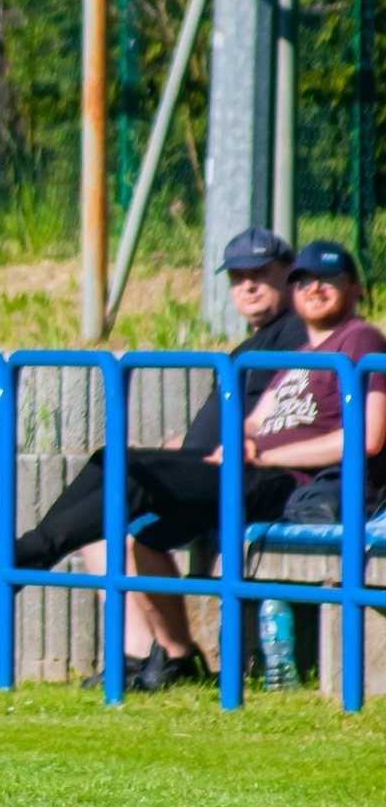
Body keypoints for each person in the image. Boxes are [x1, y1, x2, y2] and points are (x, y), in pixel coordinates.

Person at [0, 240, 386, 690]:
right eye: (304, 280)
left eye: (327, 279)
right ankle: (175, 658)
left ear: (354, 289)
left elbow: (368, 438)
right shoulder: (299, 359)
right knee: (118, 469)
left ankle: (14, 563)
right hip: (250, 469)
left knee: (138, 480)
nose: (314, 288)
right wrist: (238, 440)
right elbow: (256, 420)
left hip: (290, 482)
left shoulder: (361, 339)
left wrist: (264, 454)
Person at [72, 227, 308, 690]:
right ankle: (139, 656)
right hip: (215, 468)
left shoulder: (301, 332)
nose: (248, 286)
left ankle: (176, 656)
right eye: (238, 277)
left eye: (260, 273)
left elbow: (296, 413)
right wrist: (181, 447)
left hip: (261, 479)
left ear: (290, 274)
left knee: (133, 526)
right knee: (97, 525)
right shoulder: (254, 343)